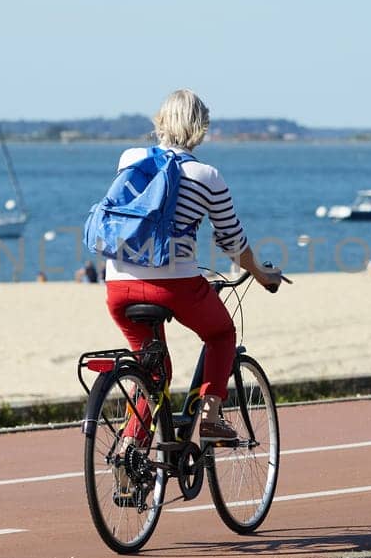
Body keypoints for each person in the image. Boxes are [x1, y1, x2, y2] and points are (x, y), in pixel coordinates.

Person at [102, 89, 281, 444]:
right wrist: (262, 275)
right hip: (175, 286)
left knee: (153, 369)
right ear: (202, 128)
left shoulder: (131, 159)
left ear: (161, 121)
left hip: (117, 284)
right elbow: (233, 243)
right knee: (221, 335)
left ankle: (129, 450)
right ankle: (211, 417)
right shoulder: (208, 176)